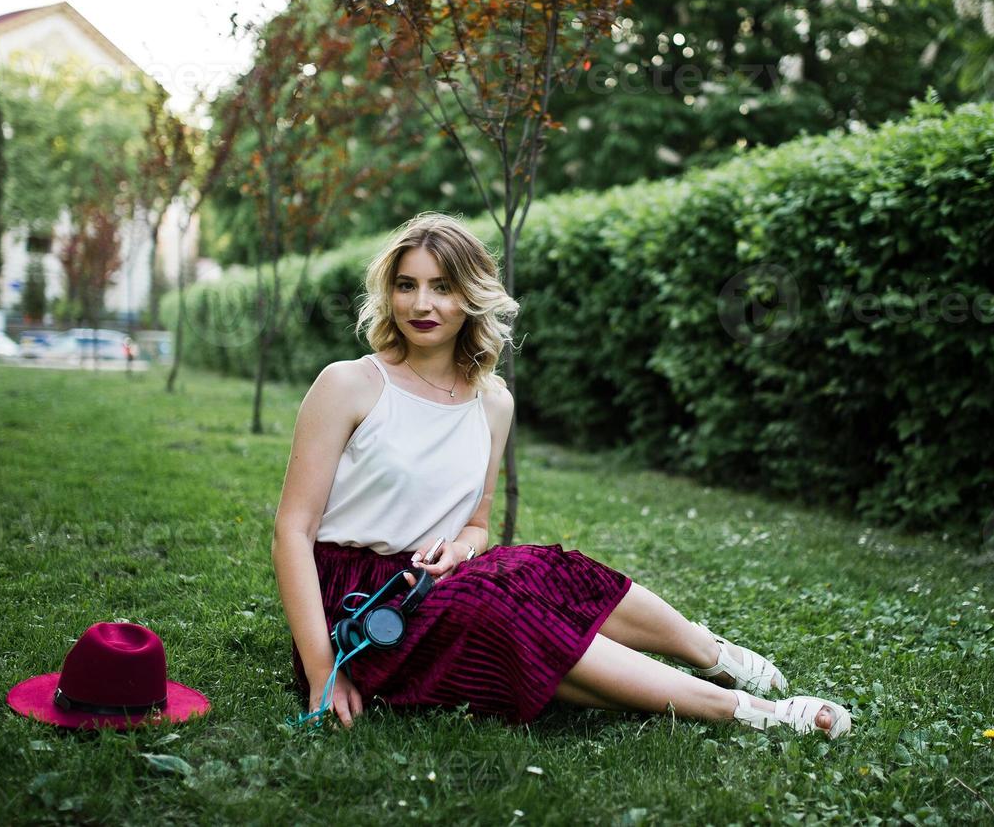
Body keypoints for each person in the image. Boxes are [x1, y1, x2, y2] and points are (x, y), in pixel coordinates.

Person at [270, 212, 852, 738]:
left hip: (437, 577)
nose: (422, 304)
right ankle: (743, 712)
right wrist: (323, 672)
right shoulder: (349, 384)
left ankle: (712, 654)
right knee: (499, 611)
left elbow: (477, 525)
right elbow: (292, 531)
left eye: (442, 287)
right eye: (407, 285)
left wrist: (458, 553)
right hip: (359, 607)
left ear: (471, 296)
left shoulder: (492, 402)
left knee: (545, 566)